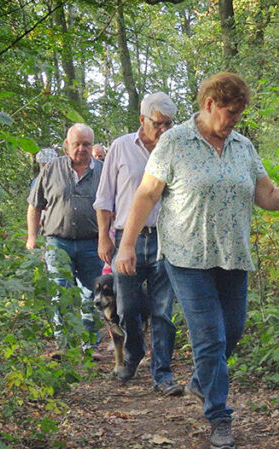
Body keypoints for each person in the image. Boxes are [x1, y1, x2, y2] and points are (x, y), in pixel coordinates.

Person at [115, 73, 279, 449]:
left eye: (239, 112)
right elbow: (146, 194)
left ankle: (202, 381)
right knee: (210, 337)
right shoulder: (174, 142)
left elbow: (267, 195)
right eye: (230, 112)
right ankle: (219, 417)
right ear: (209, 105)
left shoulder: (242, 147)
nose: (235, 118)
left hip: (233, 256)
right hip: (187, 257)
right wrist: (126, 246)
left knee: (232, 330)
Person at [94, 92, 181, 395]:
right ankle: (133, 354)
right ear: (143, 120)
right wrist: (105, 236)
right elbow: (104, 198)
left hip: (166, 239)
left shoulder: (177, 149)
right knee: (128, 308)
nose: (164, 130)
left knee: (161, 309)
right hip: (126, 240)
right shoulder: (120, 147)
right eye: (158, 124)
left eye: (170, 124)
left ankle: (163, 374)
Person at [27, 124, 104, 347]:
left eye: (86, 144)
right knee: (60, 294)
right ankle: (64, 345)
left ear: (92, 145)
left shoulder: (102, 171)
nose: (81, 148)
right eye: (76, 143)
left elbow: (114, 208)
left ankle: (91, 345)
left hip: (92, 242)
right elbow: (34, 206)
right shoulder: (50, 169)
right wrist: (32, 237)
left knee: (92, 295)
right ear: (66, 145)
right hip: (57, 241)